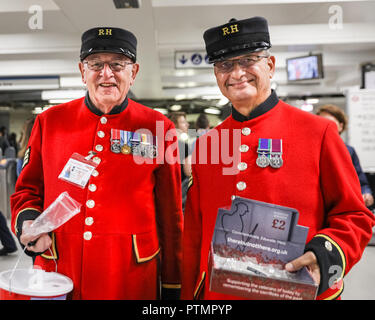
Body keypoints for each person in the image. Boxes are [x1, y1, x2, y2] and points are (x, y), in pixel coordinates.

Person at [181, 16, 375, 300]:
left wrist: (322, 256)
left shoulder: (319, 132)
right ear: (216, 75)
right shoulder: (208, 144)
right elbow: (194, 233)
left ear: (269, 66)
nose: (236, 73)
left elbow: (354, 215)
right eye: (224, 65)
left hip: (296, 291)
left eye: (248, 60)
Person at [11, 27, 183, 300]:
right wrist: (29, 222)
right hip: (60, 269)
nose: (106, 74)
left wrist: (173, 283)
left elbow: (170, 214)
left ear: (133, 72)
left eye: (117, 64)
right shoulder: (50, 122)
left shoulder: (159, 127)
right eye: (96, 64)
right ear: (82, 71)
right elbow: (27, 191)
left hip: (130, 275)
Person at [317, 104, 374, 208]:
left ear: (341, 126)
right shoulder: (312, 150)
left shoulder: (349, 151)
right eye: (321, 123)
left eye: (331, 124)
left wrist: (367, 193)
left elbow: (361, 182)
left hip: (343, 205)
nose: (326, 127)